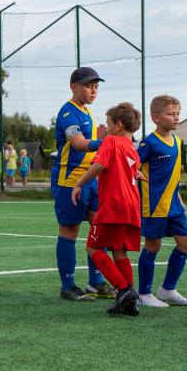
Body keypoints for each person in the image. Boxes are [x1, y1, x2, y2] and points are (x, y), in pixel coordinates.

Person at [71, 102, 144, 316]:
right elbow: (132, 172)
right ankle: (129, 302)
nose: (106, 128)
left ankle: (124, 289)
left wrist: (79, 183)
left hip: (114, 205)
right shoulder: (133, 150)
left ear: (118, 125)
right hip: (131, 206)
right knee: (118, 250)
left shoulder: (111, 141)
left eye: (108, 123)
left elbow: (99, 165)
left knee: (93, 248)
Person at [51, 67, 116, 302]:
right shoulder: (68, 112)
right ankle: (68, 286)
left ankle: (96, 282)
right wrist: (105, 142)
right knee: (70, 231)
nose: (93, 90)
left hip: (91, 180)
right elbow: (78, 143)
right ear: (73, 87)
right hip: (70, 181)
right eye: (88, 86)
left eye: (96, 86)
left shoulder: (86, 111)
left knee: (100, 229)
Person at [136, 95, 187, 307]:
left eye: (178, 113)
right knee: (153, 245)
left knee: (186, 243)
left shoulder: (178, 142)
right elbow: (130, 164)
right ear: (156, 118)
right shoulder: (149, 142)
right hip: (154, 205)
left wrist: (178, 197)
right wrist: (135, 173)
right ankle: (144, 294)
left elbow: (173, 176)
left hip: (174, 205)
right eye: (171, 114)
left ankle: (168, 289)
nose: (176, 117)